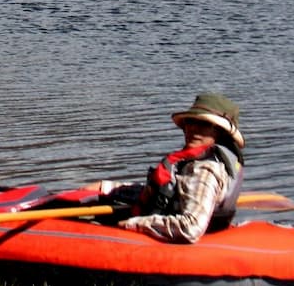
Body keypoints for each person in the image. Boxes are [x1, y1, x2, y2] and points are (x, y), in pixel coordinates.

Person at [100, 92, 246, 244]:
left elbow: (190, 228)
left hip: (166, 241)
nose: (193, 128)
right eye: (190, 122)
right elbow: (166, 194)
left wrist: (135, 223)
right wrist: (107, 188)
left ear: (221, 132)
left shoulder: (204, 169)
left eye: (204, 124)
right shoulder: (202, 162)